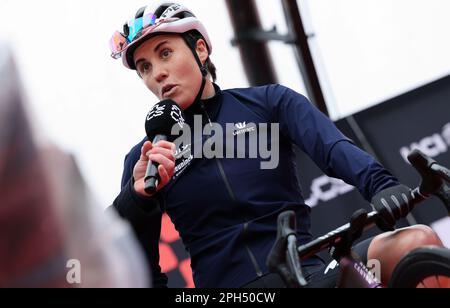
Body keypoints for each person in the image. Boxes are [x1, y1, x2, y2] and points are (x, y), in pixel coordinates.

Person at [109, 2, 444, 288]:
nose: (158, 74)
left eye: (165, 53)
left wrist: (381, 184)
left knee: (416, 242)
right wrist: (136, 197)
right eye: (145, 68)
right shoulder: (147, 157)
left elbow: (332, 148)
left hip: (304, 274)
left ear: (200, 50)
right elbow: (132, 266)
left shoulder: (269, 102)